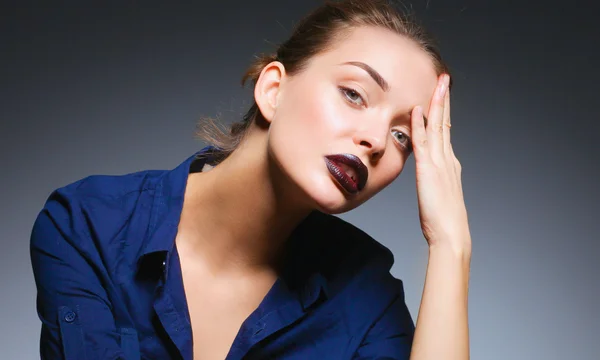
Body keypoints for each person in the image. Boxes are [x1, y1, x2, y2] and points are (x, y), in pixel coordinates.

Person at [30, 0, 471, 359]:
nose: (375, 140)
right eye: (354, 94)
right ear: (273, 90)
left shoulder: (366, 296)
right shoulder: (88, 225)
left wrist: (451, 245)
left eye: (402, 137)